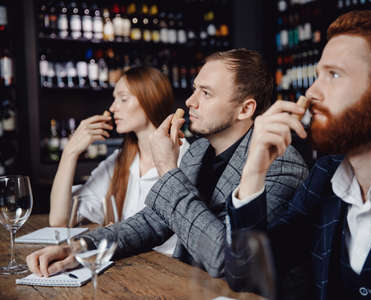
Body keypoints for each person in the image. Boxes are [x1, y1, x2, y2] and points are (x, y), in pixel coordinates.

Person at [26, 49, 309, 279]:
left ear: (245, 109)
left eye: (206, 93)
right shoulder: (199, 152)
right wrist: (80, 247)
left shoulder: (280, 164)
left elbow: (226, 260)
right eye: (194, 89)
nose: (190, 101)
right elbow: (151, 222)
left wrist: (167, 169)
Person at [225, 10, 371, 299]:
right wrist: (253, 173)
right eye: (318, 75)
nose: (312, 92)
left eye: (333, 75)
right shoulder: (324, 176)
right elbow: (246, 276)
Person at [49, 66, 189, 254]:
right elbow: (60, 220)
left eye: (123, 98)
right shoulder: (119, 160)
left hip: (168, 273)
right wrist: (70, 152)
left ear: (150, 100)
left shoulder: (187, 157)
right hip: (129, 270)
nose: (113, 107)